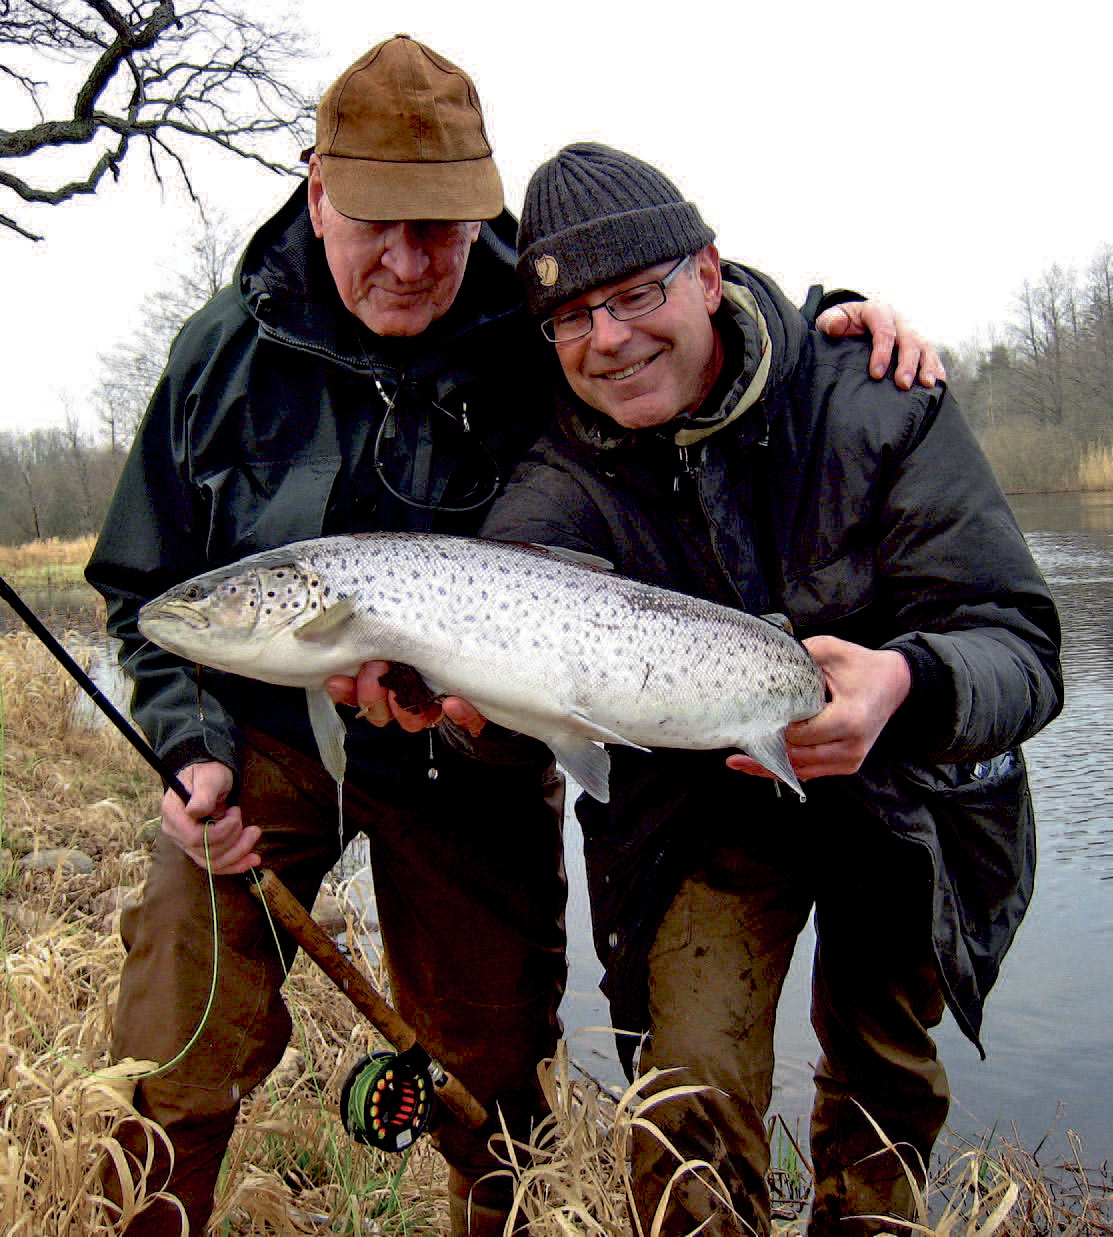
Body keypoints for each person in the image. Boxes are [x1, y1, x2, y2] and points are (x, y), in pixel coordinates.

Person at [87, 35, 944, 1236]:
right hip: (263, 741)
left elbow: (685, 309)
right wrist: (187, 747)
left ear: (480, 208)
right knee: (174, 1040)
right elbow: (147, 593)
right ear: (317, 188)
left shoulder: (539, 311)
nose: (407, 259)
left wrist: (845, 324)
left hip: (475, 750)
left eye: (439, 227)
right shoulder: (220, 359)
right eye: (377, 221)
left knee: (494, 1066)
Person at [475, 143, 1064, 1236]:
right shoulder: (555, 481)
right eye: (571, 318)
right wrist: (462, 710)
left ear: (708, 272)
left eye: (636, 295)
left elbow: (1023, 650)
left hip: (907, 800)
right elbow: (501, 687)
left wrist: (901, 682)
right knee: (685, 1106)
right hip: (702, 815)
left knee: (883, 1089)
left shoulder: (877, 400)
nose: (608, 339)